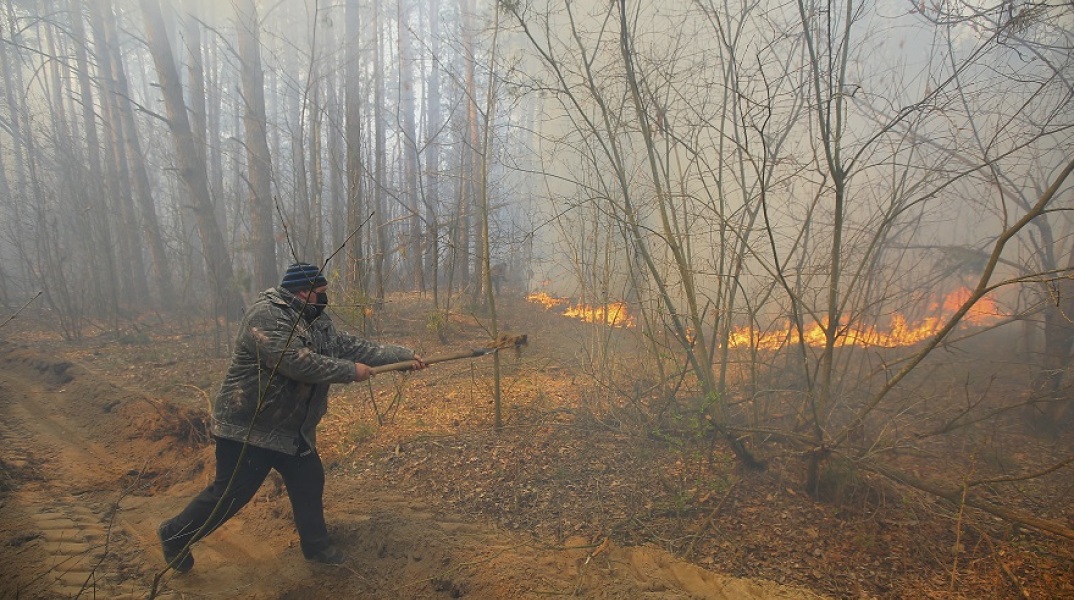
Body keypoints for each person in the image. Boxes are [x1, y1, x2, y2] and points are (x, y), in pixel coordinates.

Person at [157, 262, 425, 572]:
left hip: (289, 429)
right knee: (231, 494)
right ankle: (174, 534)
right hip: (248, 427)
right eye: (321, 293)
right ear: (303, 292)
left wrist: (401, 356)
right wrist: (350, 372)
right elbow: (299, 364)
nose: (325, 299)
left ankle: (317, 548)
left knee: (309, 479)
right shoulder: (266, 316)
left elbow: (348, 346)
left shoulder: (315, 319)